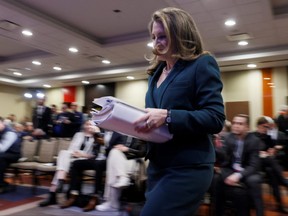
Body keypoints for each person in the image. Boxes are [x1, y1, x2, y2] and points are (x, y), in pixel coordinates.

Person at [133, 7, 225, 216]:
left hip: (188, 166)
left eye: (163, 36)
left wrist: (168, 116)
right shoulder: (154, 74)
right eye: (154, 37)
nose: (157, 42)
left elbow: (215, 117)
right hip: (158, 165)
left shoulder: (201, 64)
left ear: (180, 34)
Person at [60, 130, 127, 211]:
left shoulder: (118, 134)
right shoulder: (99, 132)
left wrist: (105, 144)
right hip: (96, 158)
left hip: (108, 161)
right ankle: (74, 194)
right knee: (76, 164)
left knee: (98, 165)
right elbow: (94, 149)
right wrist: (96, 143)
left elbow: (117, 152)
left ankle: (95, 197)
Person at [39, 120, 99, 207]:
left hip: (83, 160)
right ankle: (60, 181)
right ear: (84, 126)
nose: (89, 126)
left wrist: (83, 155)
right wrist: (75, 153)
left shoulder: (96, 138)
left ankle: (54, 192)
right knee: (63, 152)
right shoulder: (78, 135)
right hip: (72, 156)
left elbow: (94, 155)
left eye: (91, 125)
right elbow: (71, 148)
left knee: (61, 167)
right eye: (87, 124)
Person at [213, 114, 264, 216]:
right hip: (231, 169)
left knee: (253, 181)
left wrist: (238, 175)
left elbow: (253, 166)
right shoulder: (228, 137)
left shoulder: (254, 140)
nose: (236, 126)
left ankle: (259, 211)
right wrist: (214, 146)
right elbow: (223, 157)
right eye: (235, 123)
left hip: (247, 170)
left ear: (247, 127)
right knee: (216, 179)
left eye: (240, 124)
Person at [96, 136, 147, 212]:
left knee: (113, 170)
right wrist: (119, 147)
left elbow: (143, 152)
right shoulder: (124, 136)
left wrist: (128, 149)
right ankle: (123, 177)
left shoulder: (141, 136)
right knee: (114, 151)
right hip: (122, 162)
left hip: (134, 162)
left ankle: (112, 203)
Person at [252, 116, 288, 213]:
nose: (267, 129)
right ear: (259, 126)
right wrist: (259, 153)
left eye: (268, 127)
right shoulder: (252, 136)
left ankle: (280, 204)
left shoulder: (268, 137)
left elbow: (271, 149)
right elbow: (249, 152)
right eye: (265, 127)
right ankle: (284, 181)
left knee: (272, 173)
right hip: (255, 164)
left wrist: (272, 151)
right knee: (269, 159)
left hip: (266, 165)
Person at [0, 117, 21, 193]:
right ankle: (3, 184)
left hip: (14, 154)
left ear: (3, 123)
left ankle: (2, 184)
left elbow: (2, 148)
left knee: (1, 158)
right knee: (1, 160)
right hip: (4, 155)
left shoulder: (10, 133)